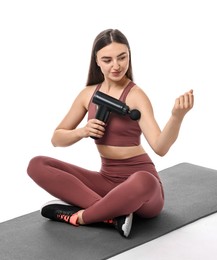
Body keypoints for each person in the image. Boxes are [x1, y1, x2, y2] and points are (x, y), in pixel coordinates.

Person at [27, 28, 194, 238]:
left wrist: (177, 116)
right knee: (37, 164)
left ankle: (81, 217)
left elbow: (160, 147)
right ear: (96, 61)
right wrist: (81, 132)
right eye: (107, 60)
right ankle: (113, 214)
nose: (116, 66)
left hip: (140, 187)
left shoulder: (136, 96)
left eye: (122, 57)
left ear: (129, 56)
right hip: (106, 182)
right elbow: (56, 138)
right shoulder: (88, 94)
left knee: (145, 180)